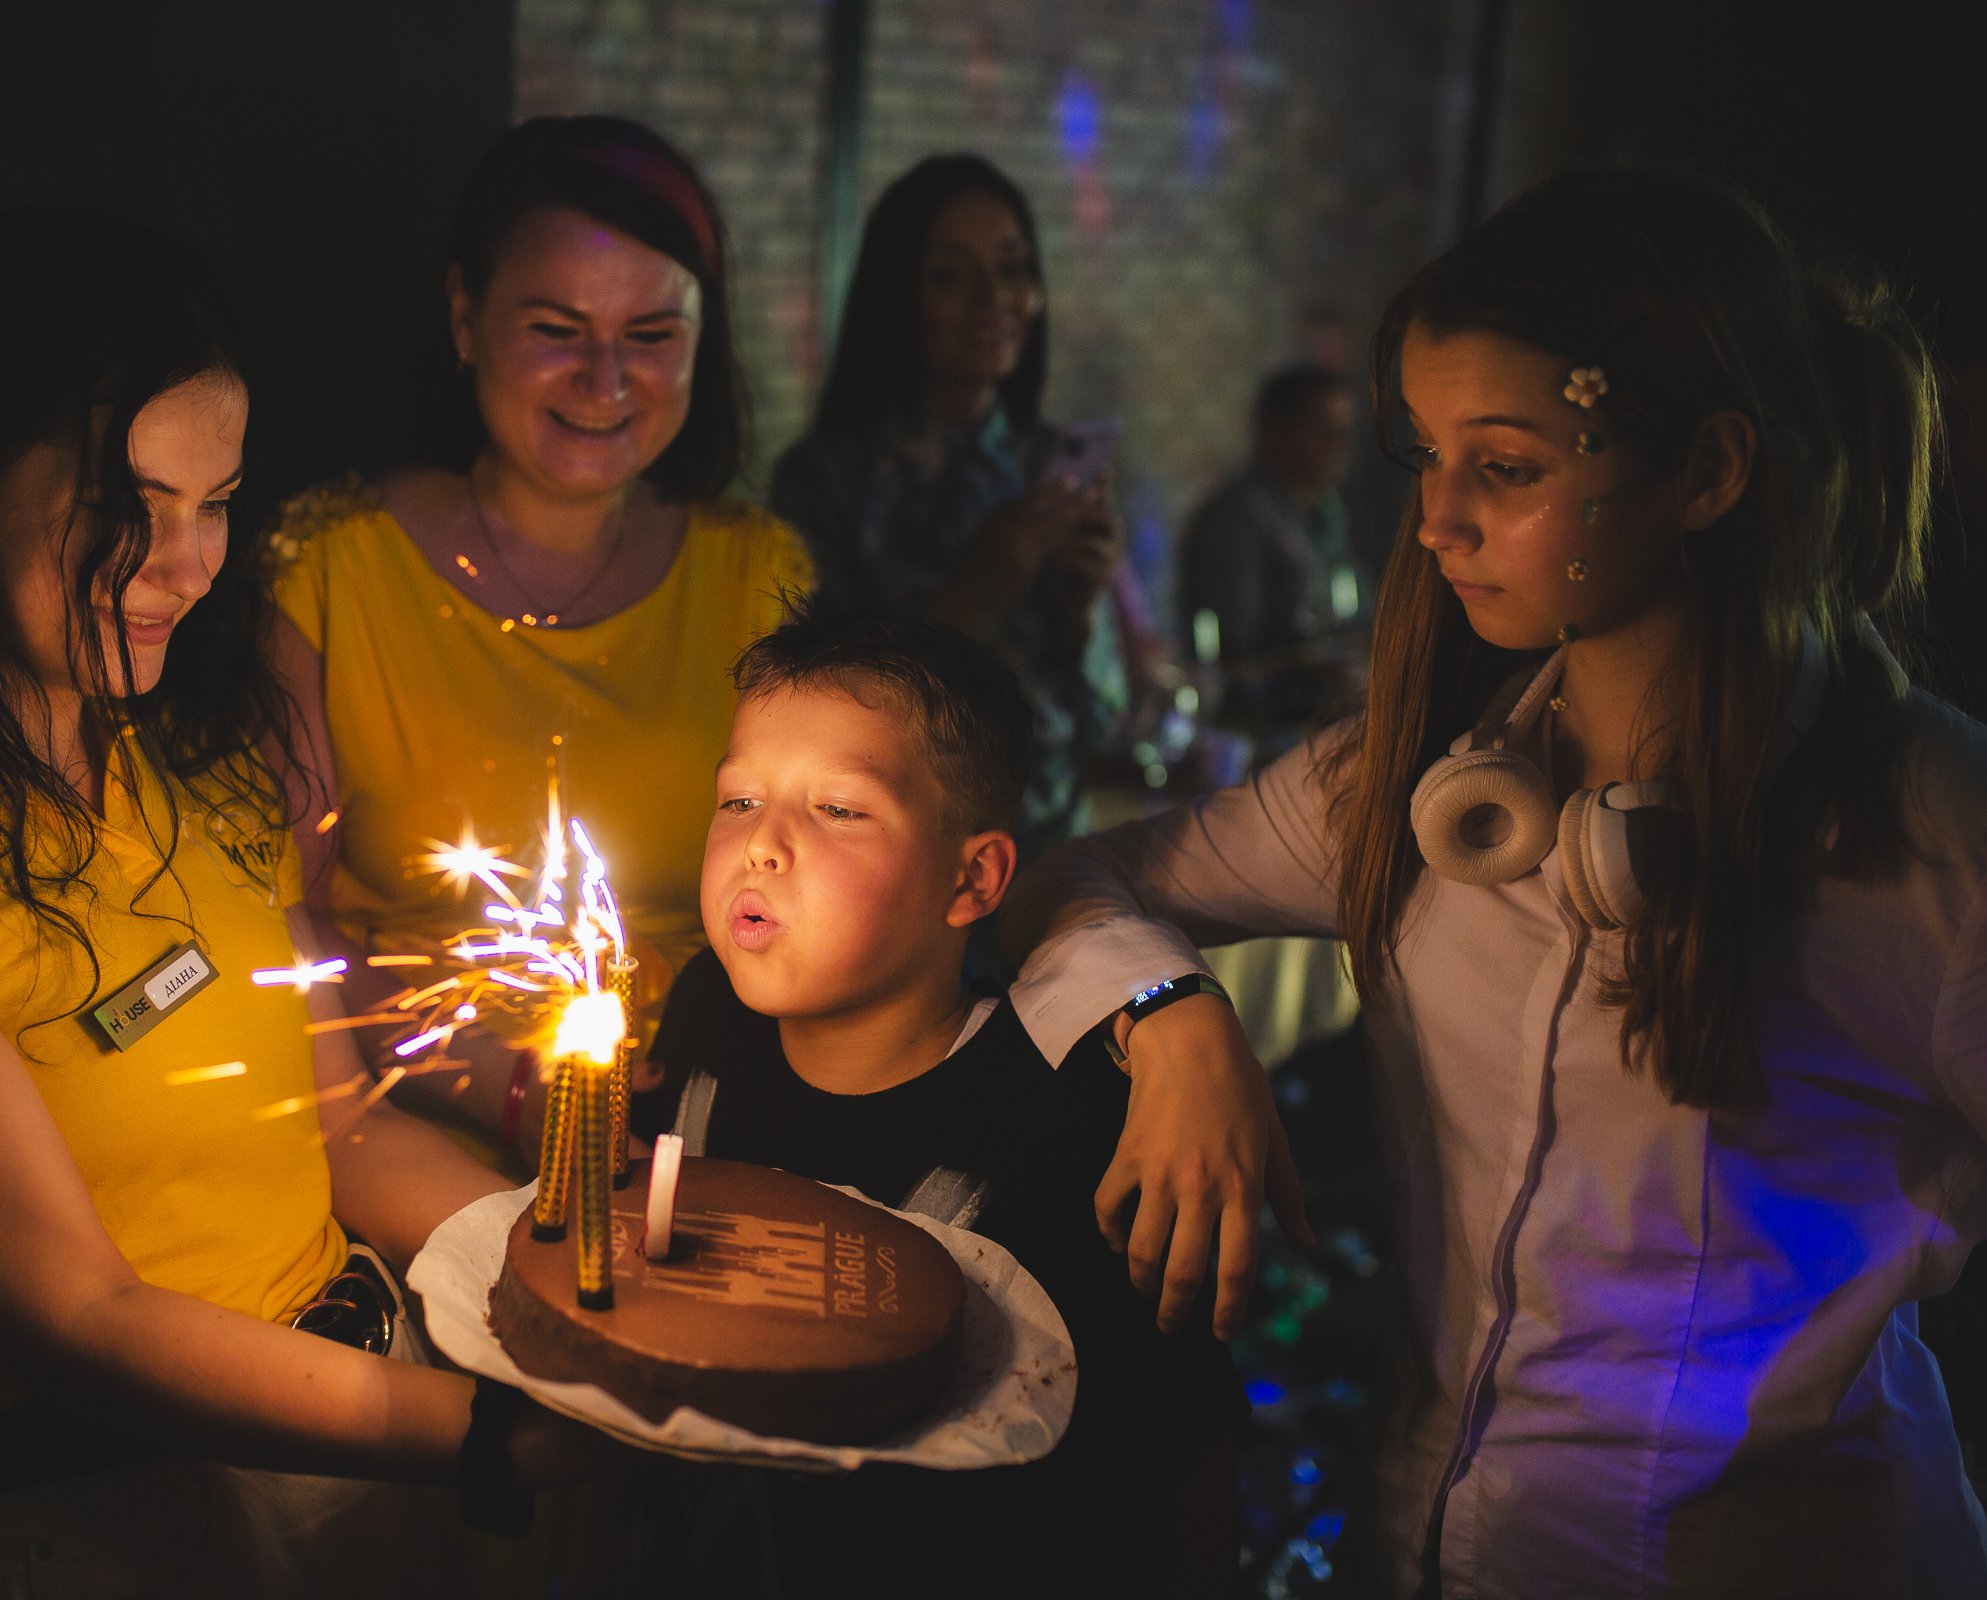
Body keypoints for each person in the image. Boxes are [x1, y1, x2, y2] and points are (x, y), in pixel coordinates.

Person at [1000, 166, 1987, 1596]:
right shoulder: (1417, 781)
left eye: (1507, 469)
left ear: (1708, 471)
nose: (1434, 521)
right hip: (1420, 1539)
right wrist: (1169, 1015)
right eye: (1424, 455)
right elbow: (1065, 877)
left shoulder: (1930, 837)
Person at [0, 209, 584, 1596]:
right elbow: (80, 1315)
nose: (187, 565)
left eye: (217, 504)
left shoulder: (188, 769)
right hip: (139, 1519)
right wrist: (491, 1437)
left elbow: (342, 1124)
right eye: (128, 507)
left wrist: (574, 1260)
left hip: (384, 1423)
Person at [631, 605, 1244, 1596]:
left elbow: (1177, 1450)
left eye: (838, 809)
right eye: (739, 799)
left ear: (972, 878)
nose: (761, 846)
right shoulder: (705, 1008)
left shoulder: (1073, 1121)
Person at [266, 117, 813, 1130]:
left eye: (651, 335)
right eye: (557, 330)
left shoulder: (756, 575)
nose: (605, 381)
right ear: (465, 318)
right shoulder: (331, 566)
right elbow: (278, 922)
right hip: (413, 1122)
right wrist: (517, 1093)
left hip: (710, 1116)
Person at [769, 153, 1153, 867]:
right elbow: (814, 721)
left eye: (1013, 269)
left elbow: (1102, 721)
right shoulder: (826, 480)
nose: (993, 299)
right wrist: (971, 590)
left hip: (1053, 859)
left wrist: (1079, 607)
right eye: (950, 275)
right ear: (898, 293)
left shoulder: (1047, 464)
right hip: (890, 868)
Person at [1176, 361, 1363, 664]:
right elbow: (1232, 649)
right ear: (1275, 429)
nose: (1339, 443)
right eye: (1322, 428)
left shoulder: (1328, 511)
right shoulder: (1235, 520)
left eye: (1345, 430)